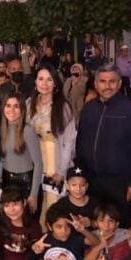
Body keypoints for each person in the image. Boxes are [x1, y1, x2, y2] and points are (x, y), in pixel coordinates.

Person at [75, 64, 131, 228]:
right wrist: (80, 172)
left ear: (119, 84)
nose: (107, 86)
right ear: (96, 84)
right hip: (92, 180)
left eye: (112, 81)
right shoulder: (89, 108)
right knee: (94, 225)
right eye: (102, 81)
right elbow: (80, 142)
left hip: (120, 184)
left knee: (120, 227)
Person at [26, 66, 77, 227]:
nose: (45, 83)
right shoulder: (29, 104)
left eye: (49, 79)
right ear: (35, 82)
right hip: (34, 158)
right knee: (35, 200)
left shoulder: (63, 106)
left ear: (55, 83)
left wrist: (61, 171)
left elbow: (69, 141)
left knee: (53, 204)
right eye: (41, 79)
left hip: (55, 158)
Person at [0, 93, 41, 214]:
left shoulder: (27, 130)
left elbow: (38, 164)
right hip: (7, 182)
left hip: (26, 183)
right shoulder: (2, 129)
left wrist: (33, 195)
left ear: (22, 109)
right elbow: (2, 158)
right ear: (3, 108)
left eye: (16, 106)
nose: (11, 110)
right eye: (8, 105)